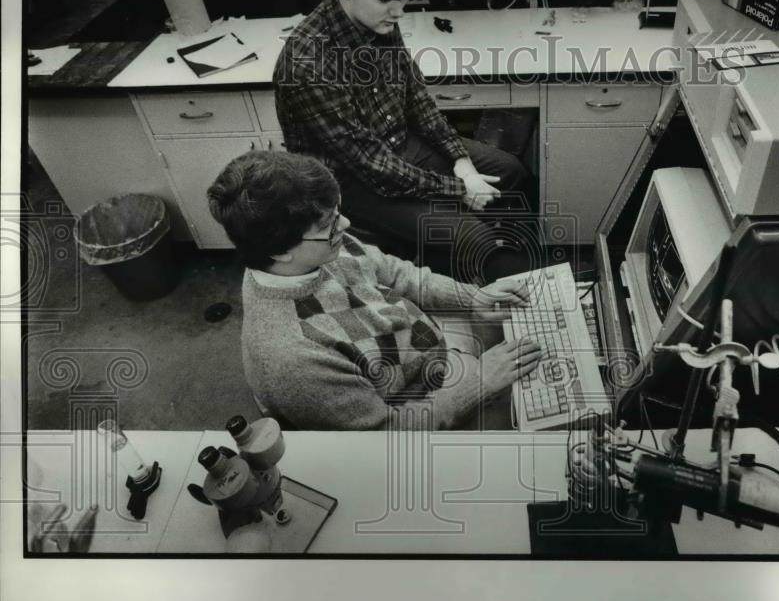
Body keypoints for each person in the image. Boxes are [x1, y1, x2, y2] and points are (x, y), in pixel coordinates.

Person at [273, 0, 536, 284]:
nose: (398, 11)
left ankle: (485, 273)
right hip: (351, 182)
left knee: (511, 173)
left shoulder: (380, 18)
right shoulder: (308, 63)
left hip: (398, 147)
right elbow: (370, 164)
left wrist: (462, 163)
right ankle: (472, 292)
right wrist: (460, 190)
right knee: (475, 240)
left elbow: (416, 98)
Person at [207, 150, 541, 430]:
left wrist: (472, 298)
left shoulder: (318, 248)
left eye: (338, 213)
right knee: (538, 432)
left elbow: (398, 275)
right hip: (417, 406)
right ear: (279, 251)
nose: (346, 226)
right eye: (329, 226)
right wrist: (480, 383)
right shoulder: (293, 359)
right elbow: (387, 433)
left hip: (424, 352)